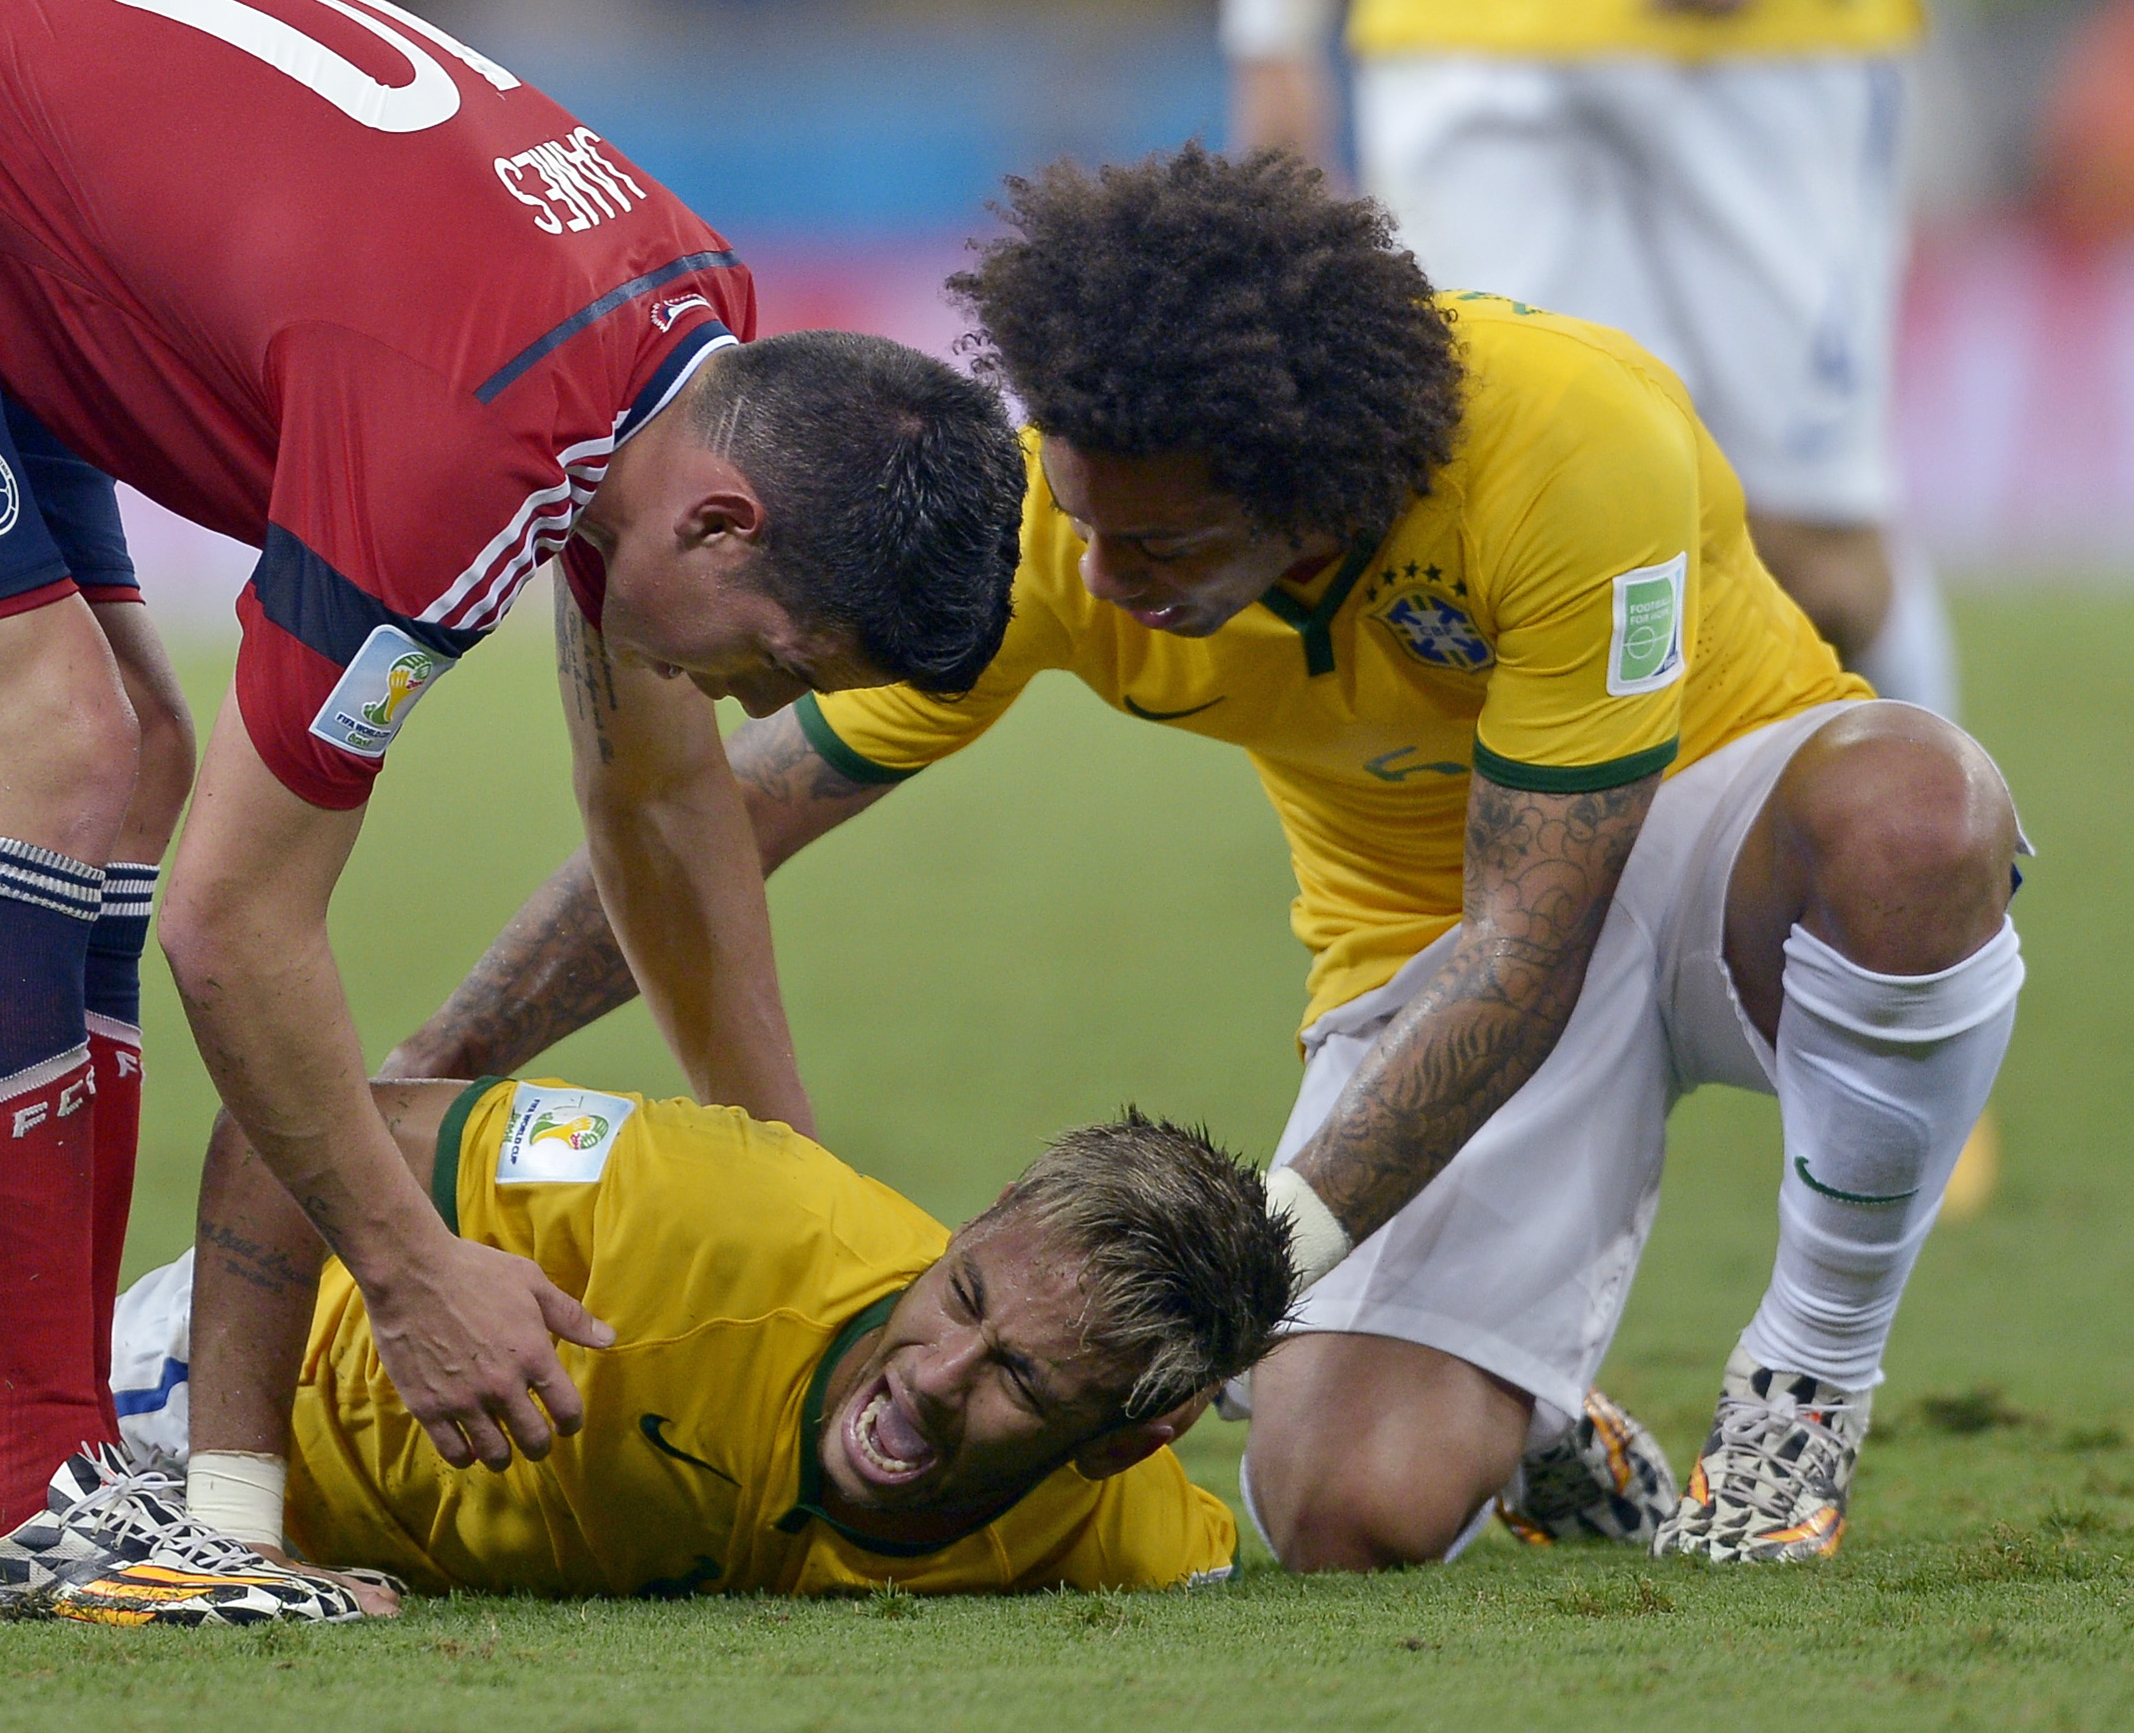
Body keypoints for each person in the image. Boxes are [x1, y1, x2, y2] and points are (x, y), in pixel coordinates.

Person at [0, 0, 1028, 1620]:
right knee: (47, 758)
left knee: (127, 764)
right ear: (724, 522)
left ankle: (51, 1458)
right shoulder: (470, 436)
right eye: (778, 662)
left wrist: (801, 1202)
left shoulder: (688, 347)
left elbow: (660, 802)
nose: (745, 706)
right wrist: (411, 1271)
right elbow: (234, 928)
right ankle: (28, 1511)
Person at [384, 149, 2028, 1569]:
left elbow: (1538, 943)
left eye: (1156, 543)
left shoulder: (1565, 439)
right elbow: (721, 822)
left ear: (1308, 490)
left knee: (1915, 817)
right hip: (1427, 945)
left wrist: (1251, 1280)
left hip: (1705, 857)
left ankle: (1799, 1386)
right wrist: (437, 1065)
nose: (1094, 578)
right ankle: (1530, 1422)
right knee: (1339, 1510)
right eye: (1084, 522)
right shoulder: (1069, 533)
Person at [0, 1079, 1283, 1613]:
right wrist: (222, 1516)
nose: (936, 1371)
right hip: (230, 1397)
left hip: (367, 1527)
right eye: (961, 1298)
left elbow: (1321, 1555)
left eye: (1019, 1381)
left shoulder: (1126, 1540)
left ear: (1124, 1438)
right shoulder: (712, 1211)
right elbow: (309, 1141)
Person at [1224, 0, 1959, 724]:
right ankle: (1589, 855)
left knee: (1812, 560)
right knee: (1518, 522)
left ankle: (1938, 842)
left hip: (1761, 9)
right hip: (1461, 17)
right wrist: (1273, 17)